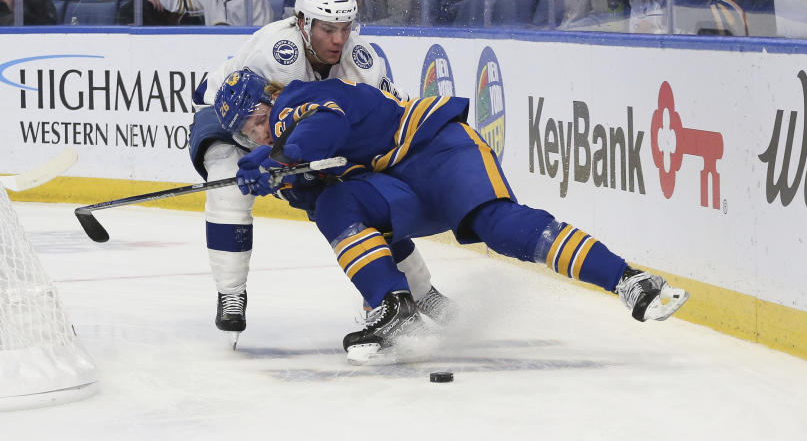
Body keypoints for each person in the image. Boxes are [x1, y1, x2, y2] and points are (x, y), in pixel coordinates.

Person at [215, 63, 689, 364]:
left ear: (266, 101)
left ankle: (629, 280)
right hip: (401, 184)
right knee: (336, 204)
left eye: (253, 121)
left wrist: (279, 159)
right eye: (245, 132)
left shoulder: (292, 103)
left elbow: (324, 125)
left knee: (500, 226)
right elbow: (364, 226)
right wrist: (283, 172)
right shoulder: (283, 156)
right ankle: (394, 308)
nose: (254, 133)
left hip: (439, 148)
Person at [189, 0, 450, 340]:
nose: (339, 40)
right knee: (229, 184)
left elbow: (393, 112)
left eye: (345, 28)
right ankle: (231, 293)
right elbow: (252, 117)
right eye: (328, 29)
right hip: (232, 116)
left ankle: (419, 292)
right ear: (303, 23)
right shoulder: (277, 54)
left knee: (362, 198)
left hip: (299, 133)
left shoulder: (361, 62)